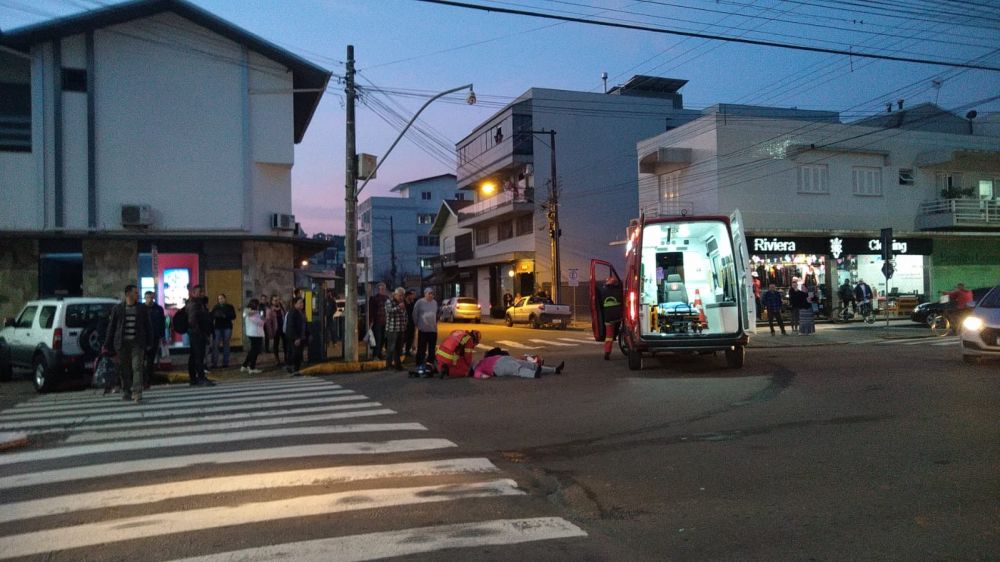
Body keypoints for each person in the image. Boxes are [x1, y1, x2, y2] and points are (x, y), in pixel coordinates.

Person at [104, 284, 151, 402]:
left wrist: (150, 341)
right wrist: (107, 344)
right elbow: (112, 327)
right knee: (124, 369)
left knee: (137, 367)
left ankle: (137, 392)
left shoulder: (141, 308)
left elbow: (148, 325)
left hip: (137, 343)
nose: (137, 295)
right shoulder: (118, 309)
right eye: (135, 292)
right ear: (128, 294)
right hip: (122, 344)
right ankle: (126, 391)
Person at [185, 285, 215, 386]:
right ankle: (200, 378)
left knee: (194, 355)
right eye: (199, 292)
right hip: (197, 333)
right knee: (198, 356)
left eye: (202, 292)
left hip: (197, 333)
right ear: (194, 293)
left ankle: (194, 378)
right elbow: (192, 320)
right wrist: (200, 333)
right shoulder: (194, 303)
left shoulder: (197, 303)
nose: (202, 294)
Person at [473, 354, 565, 379]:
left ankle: (555, 370)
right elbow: (478, 374)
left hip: (506, 360)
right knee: (518, 369)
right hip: (499, 367)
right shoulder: (478, 368)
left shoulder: (484, 360)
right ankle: (534, 375)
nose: (474, 361)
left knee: (531, 365)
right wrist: (483, 376)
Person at [142, 290, 165, 389]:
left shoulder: (158, 309)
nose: (150, 299)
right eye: (148, 297)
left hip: (154, 337)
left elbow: (162, 323)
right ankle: (142, 379)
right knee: (141, 360)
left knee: (151, 360)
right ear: (145, 298)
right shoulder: (141, 309)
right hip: (143, 338)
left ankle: (148, 380)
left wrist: (162, 336)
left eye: (151, 297)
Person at [413, 288, 439, 367]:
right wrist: (417, 324)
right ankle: (420, 362)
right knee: (422, 347)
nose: (431, 295)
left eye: (432, 294)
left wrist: (435, 322)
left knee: (432, 348)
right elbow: (415, 314)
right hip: (423, 329)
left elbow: (436, 314)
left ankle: (430, 362)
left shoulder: (435, 303)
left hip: (433, 329)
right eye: (429, 293)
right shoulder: (419, 302)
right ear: (425, 294)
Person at [210, 293, 236, 369]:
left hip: (227, 327)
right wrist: (215, 314)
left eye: (222, 298)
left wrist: (225, 315)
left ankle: (225, 363)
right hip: (217, 327)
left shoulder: (230, 306)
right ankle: (214, 363)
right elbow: (211, 316)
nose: (220, 300)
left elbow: (234, 316)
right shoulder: (216, 307)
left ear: (225, 299)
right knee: (216, 345)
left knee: (226, 344)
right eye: (219, 299)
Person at [384, 287, 407, 371]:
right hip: (392, 329)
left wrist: (405, 324)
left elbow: (404, 314)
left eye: (402, 296)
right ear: (395, 294)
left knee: (398, 349)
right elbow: (389, 312)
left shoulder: (402, 302)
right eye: (400, 295)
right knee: (391, 348)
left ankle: (398, 366)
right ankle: (388, 365)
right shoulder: (389, 301)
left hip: (400, 329)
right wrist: (398, 307)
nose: (401, 297)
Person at [284, 296, 308, 374]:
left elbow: (304, 324)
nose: (302, 304)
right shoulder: (292, 312)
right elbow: (291, 326)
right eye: (300, 302)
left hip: (301, 336)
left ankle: (295, 368)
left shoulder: (301, 312)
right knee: (295, 353)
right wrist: (296, 337)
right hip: (295, 337)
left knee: (298, 352)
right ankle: (292, 367)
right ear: (295, 304)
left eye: (302, 302)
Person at [601, 275, 623, 360]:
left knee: (609, 336)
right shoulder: (618, 290)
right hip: (618, 316)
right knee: (625, 328)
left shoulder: (603, 291)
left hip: (608, 317)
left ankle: (607, 351)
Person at [241, 298, 265, 374]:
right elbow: (260, 322)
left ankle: (245, 365)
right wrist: (263, 319)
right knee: (255, 351)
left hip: (253, 333)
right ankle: (252, 367)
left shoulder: (250, 312)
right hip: (255, 333)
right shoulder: (251, 313)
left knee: (253, 350)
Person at [368, 283, 389, 360]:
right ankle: (375, 355)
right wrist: (371, 321)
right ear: (378, 289)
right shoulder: (375, 298)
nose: (382, 290)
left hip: (386, 322)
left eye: (383, 288)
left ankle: (379, 354)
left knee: (383, 339)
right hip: (377, 322)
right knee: (378, 339)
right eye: (381, 289)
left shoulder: (387, 298)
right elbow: (372, 311)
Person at [265, 295, 286, 364]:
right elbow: (268, 322)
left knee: (286, 343)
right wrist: (270, 332)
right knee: (276, 344)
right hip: (276, 328)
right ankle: (277, 359)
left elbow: (284, 316)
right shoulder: (270, 309)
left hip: (283, 328)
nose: (276, 301)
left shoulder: (281, 308)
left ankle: (286, 358)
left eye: (277, 300)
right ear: (271, 301)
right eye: (275, 300)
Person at [403, 289, 417, 358]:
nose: (413, 296)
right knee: (404, 338)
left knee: (410, 338)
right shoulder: (403, 303)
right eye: (411, 295)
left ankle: (407, 351)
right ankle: (400, 351)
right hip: (405, 323)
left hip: (412, 323)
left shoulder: (412, 303)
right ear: (408, 295)